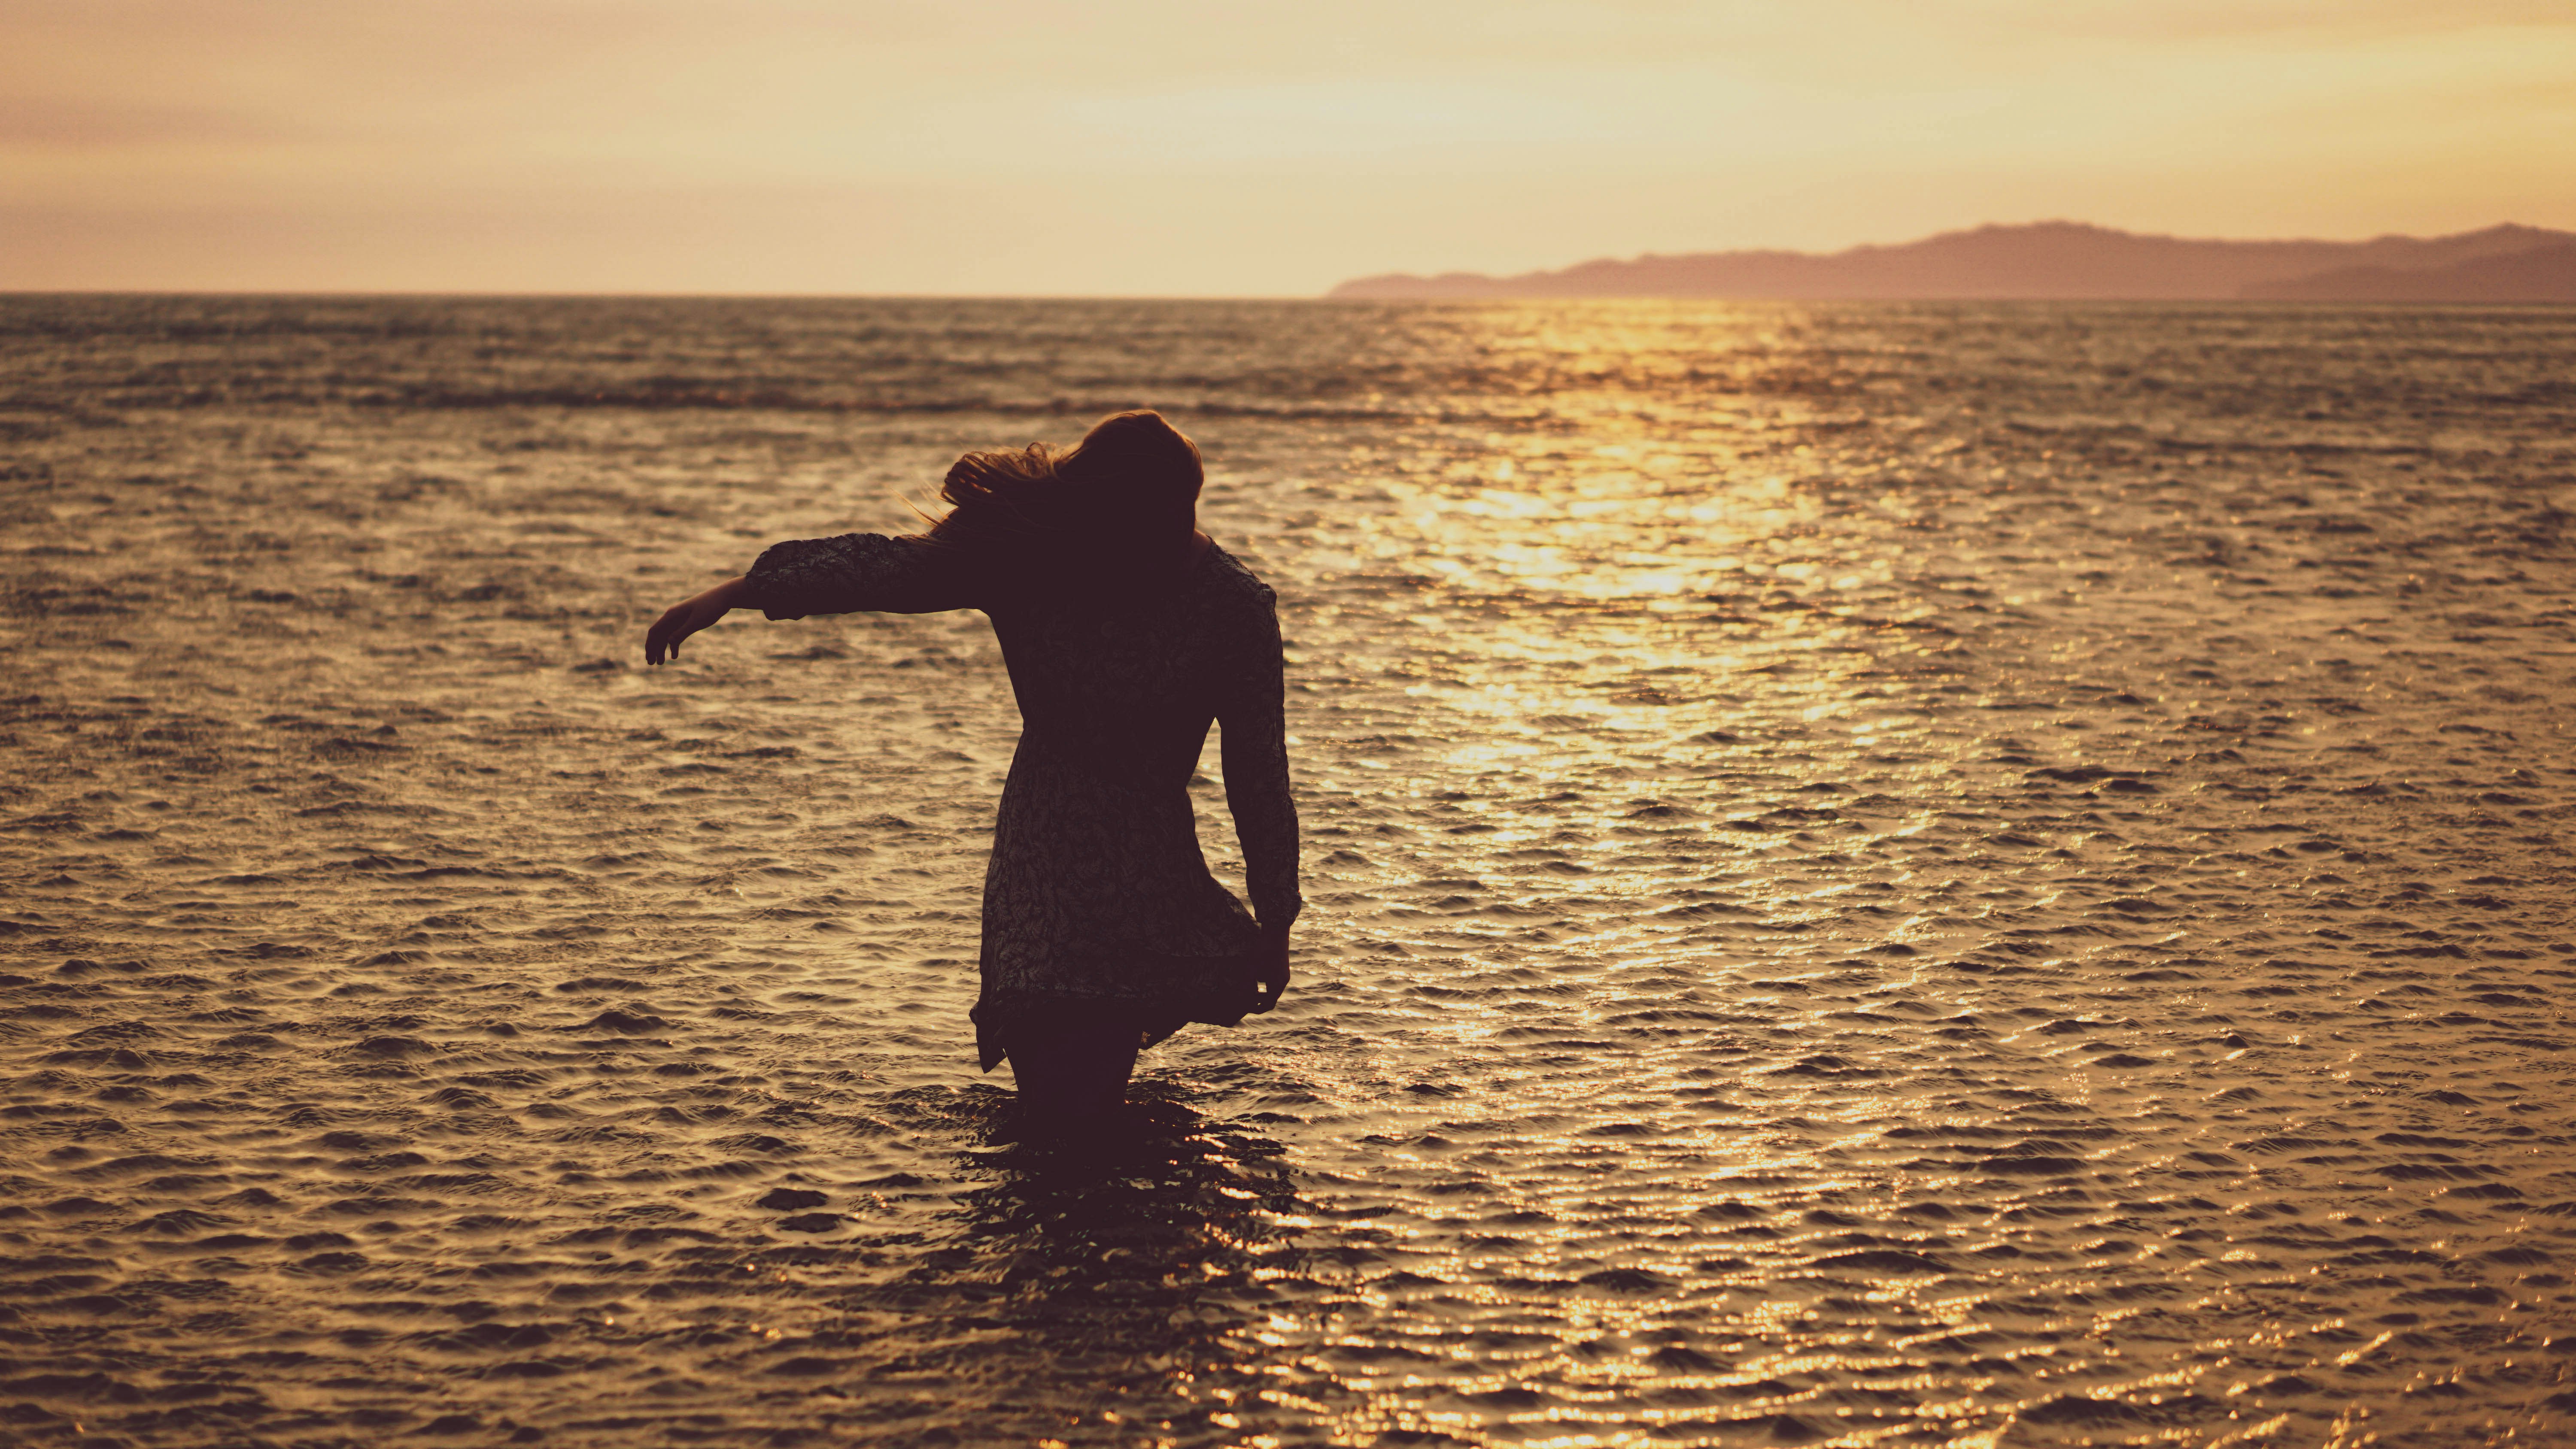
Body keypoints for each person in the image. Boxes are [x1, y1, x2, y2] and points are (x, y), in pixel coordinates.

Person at [643, 411, 1298, 1136]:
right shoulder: (1037, 560)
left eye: (1187, 509)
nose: (1178, 530)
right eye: (1155, 513)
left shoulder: (1234, 608)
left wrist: (1278, 915)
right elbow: (885, 569)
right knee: (1054, 1088)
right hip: (1040, 856)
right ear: (1107, 510)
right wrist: (743, 590)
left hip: (1146, 870)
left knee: (1089, 1106)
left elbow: (1258, 773)